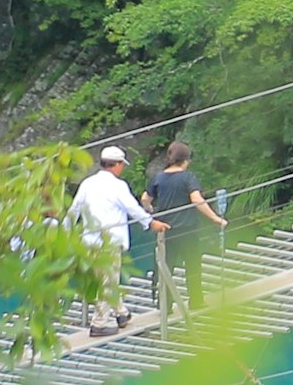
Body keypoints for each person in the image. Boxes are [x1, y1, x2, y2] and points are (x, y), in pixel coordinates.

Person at [68, 144, 159, 335]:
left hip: (89, 241)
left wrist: (64, 232)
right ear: (116, 164)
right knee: (108, 281)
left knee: (105, 278)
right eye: (121, 165)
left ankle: (121, 313)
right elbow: (132, 207)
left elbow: (74, 210)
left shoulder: (87, 184)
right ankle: (99, 324)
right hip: (109, 242)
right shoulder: (118, 186)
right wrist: (149, 222)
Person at [146, 139, 227, 318]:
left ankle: (165, 305)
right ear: (185, 160)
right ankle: (196, 301)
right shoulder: (188, 177)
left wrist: (151, 212)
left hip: (165, 230)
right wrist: (215, 218)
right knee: (192, 265)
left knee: (166, 267)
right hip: (187, 229)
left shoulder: (158, 178)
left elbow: (145, 198)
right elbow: (197, 199)